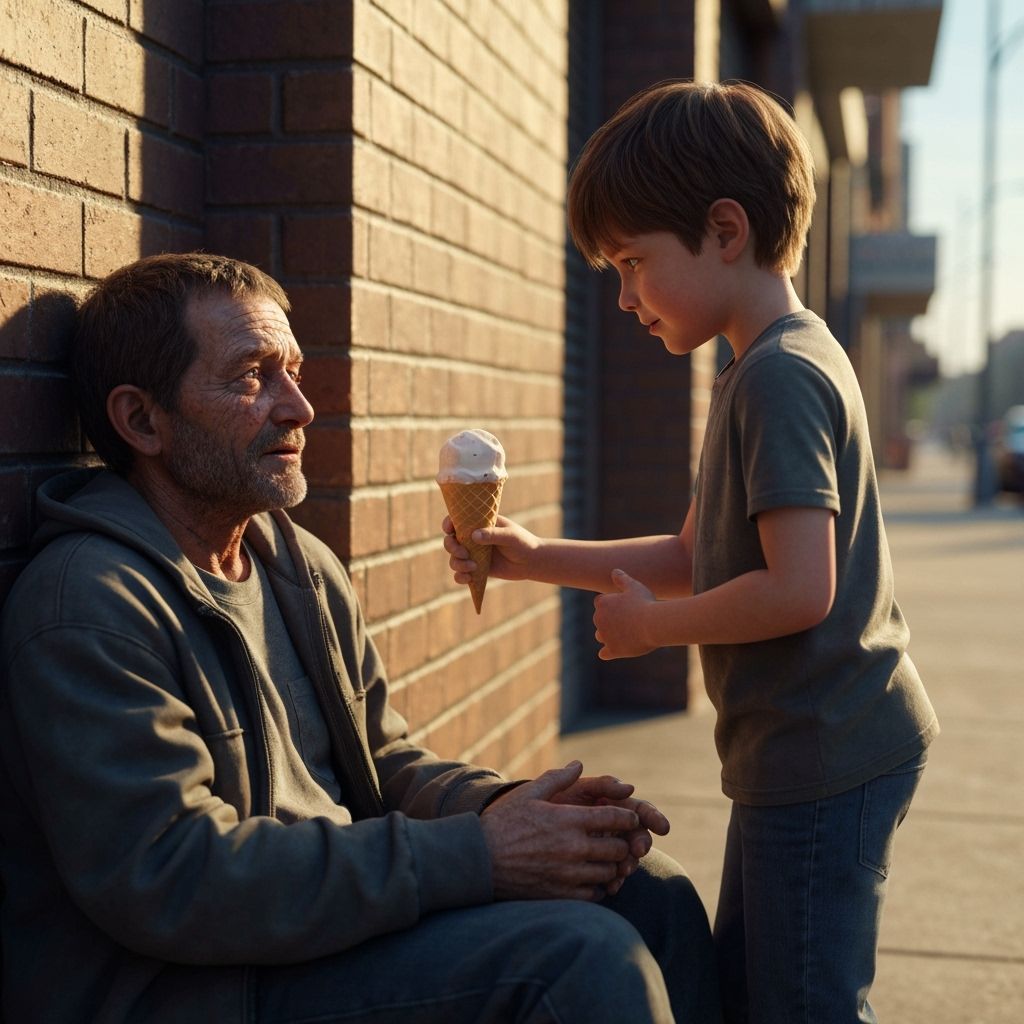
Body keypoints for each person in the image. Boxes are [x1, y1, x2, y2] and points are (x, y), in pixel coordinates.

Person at [0, 252, 723, 1024]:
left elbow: (382, 764)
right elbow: (173, 877)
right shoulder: (87, 604)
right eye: (252, 377)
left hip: (323, 934)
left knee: (651, 893)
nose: (299, 408)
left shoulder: (297, 565)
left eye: (294, 372)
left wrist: (516, 810)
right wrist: (481, 854)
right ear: (143, 421)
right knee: (579, 960)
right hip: (195, 988)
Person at [444, 80, 940, 1023]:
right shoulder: (763, 363)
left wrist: (652, 630)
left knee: (801, 1003)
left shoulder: (780, 377)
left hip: (826, 749)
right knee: (761, 988)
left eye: (634, 262)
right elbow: (690, 553)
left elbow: (799, 589)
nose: (625, 297)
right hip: (800, 747)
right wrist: (532, 556)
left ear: (724, 230)